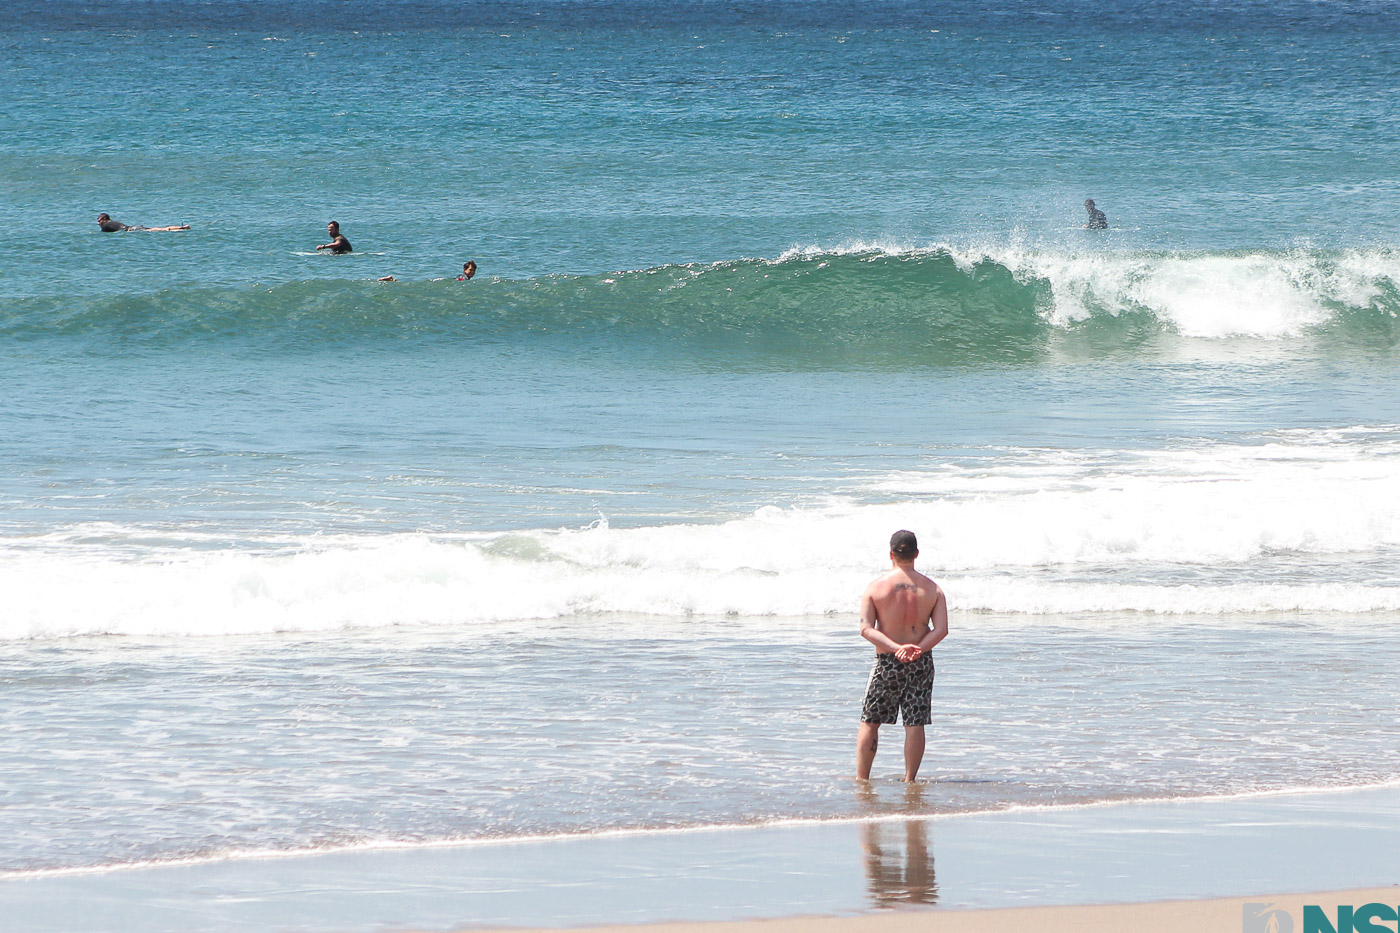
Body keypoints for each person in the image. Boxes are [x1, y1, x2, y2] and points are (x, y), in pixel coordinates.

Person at [856, 530, 948, 782]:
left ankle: (863, 778)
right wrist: (918, 648)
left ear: (891, 554)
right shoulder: (933, 589)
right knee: (915, 722)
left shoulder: (876, 587)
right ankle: (910, 780)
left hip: (887, 661)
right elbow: (941, 630)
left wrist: (896, 647)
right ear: (916, 554)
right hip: (921, 661)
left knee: (871, 720)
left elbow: (866, 629)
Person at [96, 213, 189, 232]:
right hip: (133, 227)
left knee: (159, 229)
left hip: (132, 230)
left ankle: (181, 228)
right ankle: (181, 227)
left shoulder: (106, 226)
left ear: (104, 220)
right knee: (158, 229)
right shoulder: (113, 223)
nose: (98, 223)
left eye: (99, 221)